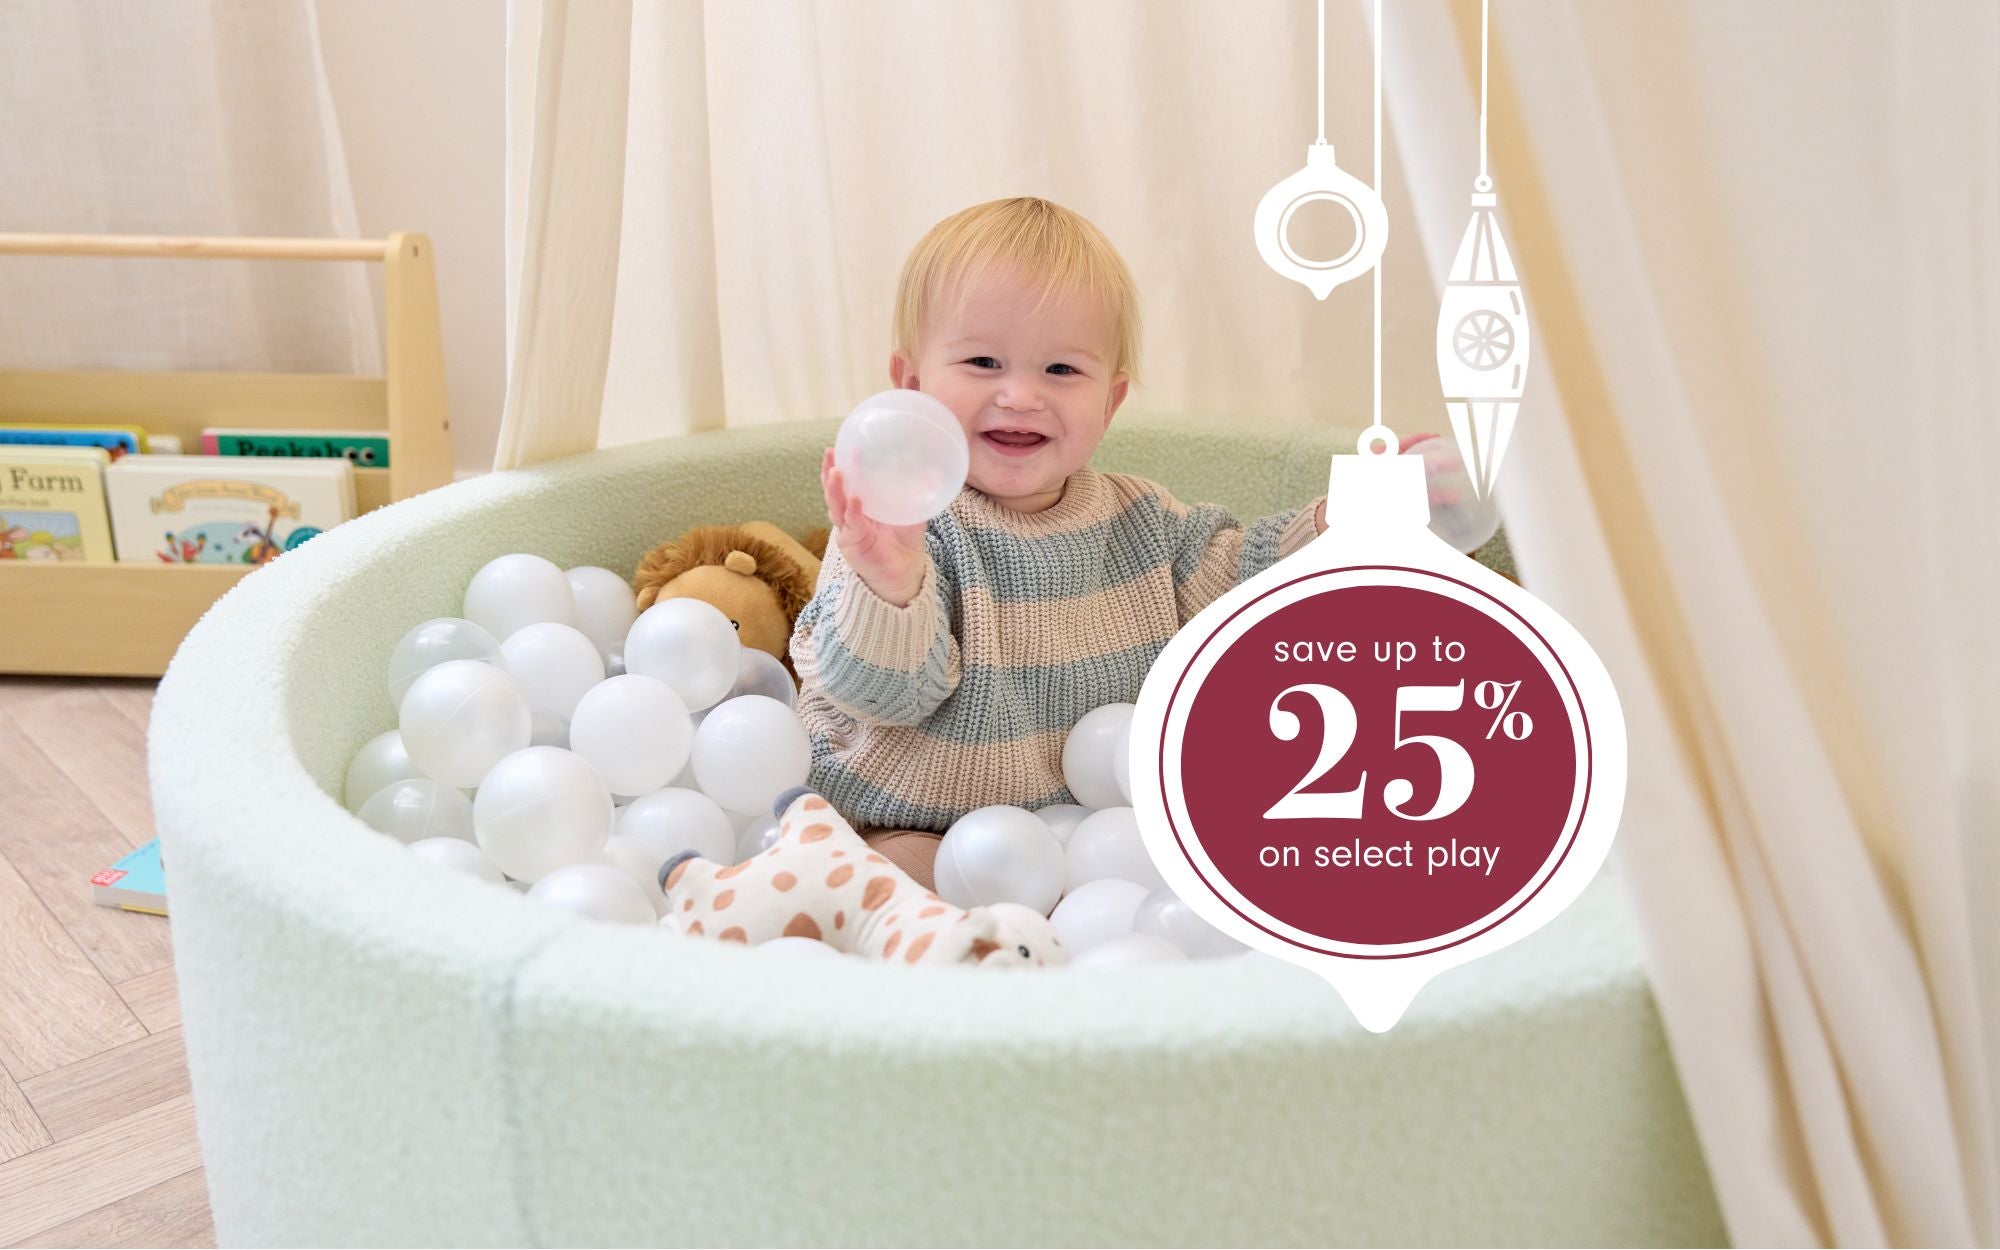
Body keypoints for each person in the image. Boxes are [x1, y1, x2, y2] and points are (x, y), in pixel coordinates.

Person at [789, 196, 1327, 889]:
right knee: (889, 884)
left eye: (1061, 372)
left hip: (1103, 830)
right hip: (918, 815)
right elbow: (882, 695)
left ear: (1110, 403)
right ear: (912, 386)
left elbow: (1241, 575)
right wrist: (890, 584)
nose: (1019, 395)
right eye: (984, 361)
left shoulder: (1140, 520)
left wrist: (1340, 525)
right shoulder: (898, 529)